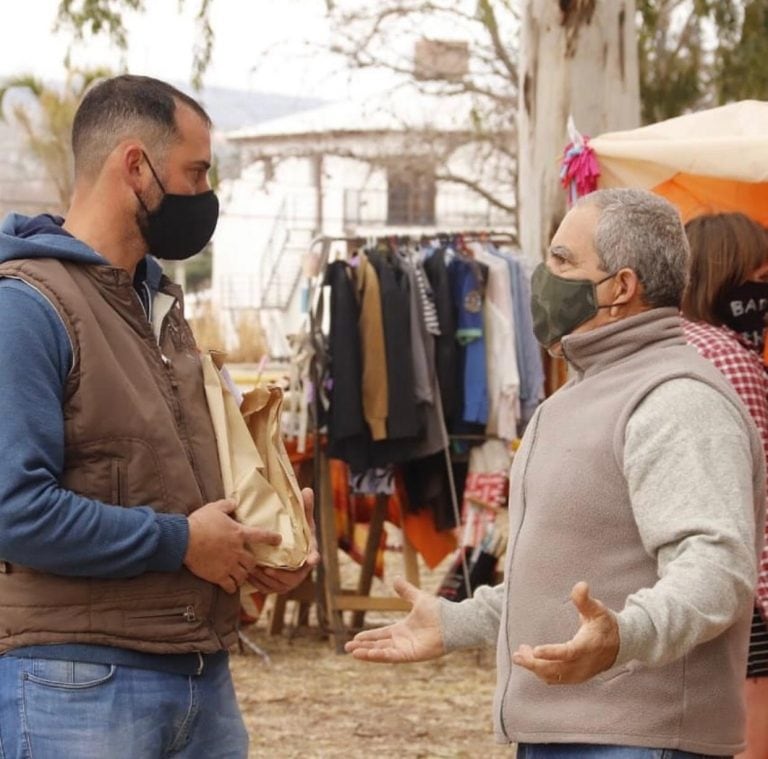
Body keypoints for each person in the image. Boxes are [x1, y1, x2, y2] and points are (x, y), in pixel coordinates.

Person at [346, 188, 765, 758]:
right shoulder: (576, 397)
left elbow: (718, 569)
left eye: (563, 260)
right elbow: (560, 575)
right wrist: (456, 622)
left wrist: (625, 636)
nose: (543, 276)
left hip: (639, 739)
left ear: (621, 286)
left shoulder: (674, 400)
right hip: (568, 731)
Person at [0, 74, 318, 758]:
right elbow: (14, 510)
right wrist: (180, 541)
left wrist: (261, 543)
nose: (206, 196)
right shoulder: (26, 309)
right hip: (74, 685)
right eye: (196, 172)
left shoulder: (162, 309)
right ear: (136, 166)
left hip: (199, 673)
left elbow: (171, 489)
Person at [681, 212, 768, 759]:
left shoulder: (669, 345)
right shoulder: (732, 361)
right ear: (725, 278)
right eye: (759, 276)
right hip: (746, 580)